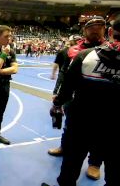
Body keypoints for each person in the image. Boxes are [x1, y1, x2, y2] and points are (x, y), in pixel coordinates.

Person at [42, 17, 120, 186]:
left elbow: (68, 85)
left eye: (99, 27)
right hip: (89, 112)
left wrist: (57, 103)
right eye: (91, 27)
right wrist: (59, 95)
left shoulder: (86, 56)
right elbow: (64, 75)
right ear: (84, 30)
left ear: (109, 31)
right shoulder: (73, 51)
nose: (95, 30)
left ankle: (93, 164)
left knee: (73, 158)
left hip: (85, 116)